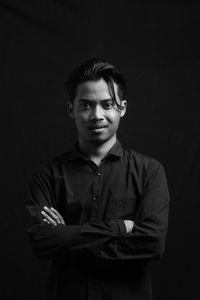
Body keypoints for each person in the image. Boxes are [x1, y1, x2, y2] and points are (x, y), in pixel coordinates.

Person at [26, 58, 170, 300]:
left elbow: (152, 244)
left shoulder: (150, 172)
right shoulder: (48, 176)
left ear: (122, 108)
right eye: (86, 105)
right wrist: (119, 227)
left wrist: (67, 237)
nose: (97, 115)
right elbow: (42, 242)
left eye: (107, 104)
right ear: (71, 109)